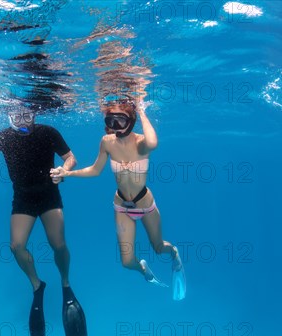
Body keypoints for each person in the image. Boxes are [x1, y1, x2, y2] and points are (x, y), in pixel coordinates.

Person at [0, 105, 87, 336]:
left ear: (35, 114)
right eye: (17, 115)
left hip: (49, 195)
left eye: (27, 115)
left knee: (59, 244)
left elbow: (70, 157)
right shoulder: (3, 137)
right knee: (16, 246)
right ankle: (37, 285)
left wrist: (64, 170)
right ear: (8, 115)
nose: (23, 120)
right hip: (23, 199)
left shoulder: (48, 132)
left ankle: (66, 284)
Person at [50, 96, 186, 300]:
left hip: (145, 204)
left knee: (158, 248)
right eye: (110, 121)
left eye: (120, 121)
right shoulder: (107, 142)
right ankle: (143, 270)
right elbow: (95, 170)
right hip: (121, 206)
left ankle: (174, 253)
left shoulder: (141, 143)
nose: (115, 127)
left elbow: (153, 142)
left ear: (131, 121)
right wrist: (67, 174)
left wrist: (141, 110)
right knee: (126, 261)